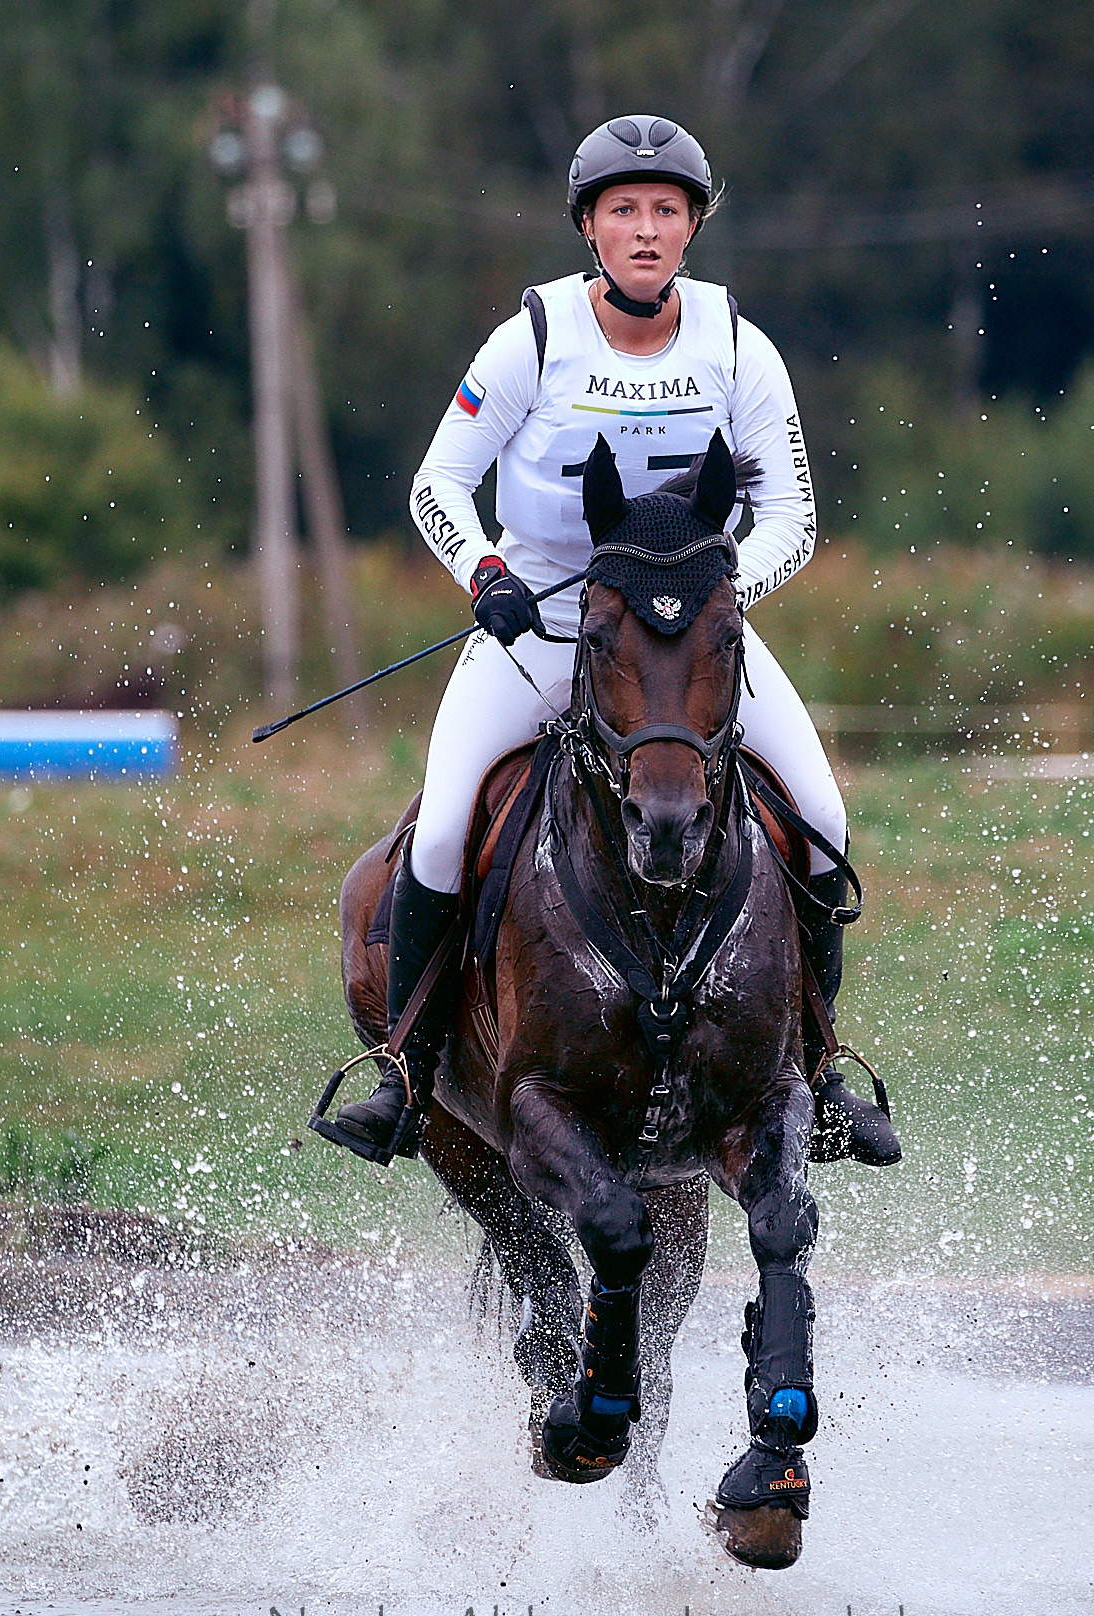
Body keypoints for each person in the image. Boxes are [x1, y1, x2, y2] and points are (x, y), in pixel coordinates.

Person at [324, 114, 900, 1169]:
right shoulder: (532, 338)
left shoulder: (736, 344)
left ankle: (817, 1074)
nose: (646, 230)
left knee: (819, 815)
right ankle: (406, 1077)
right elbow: (435, 483)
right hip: (547, 616)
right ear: (590, 228)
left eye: (666, 212)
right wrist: (486, 576)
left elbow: (794, 517)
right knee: (446, 828)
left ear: (691, 229)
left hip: (687, 630)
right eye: (624, 211)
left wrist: (722, 586)